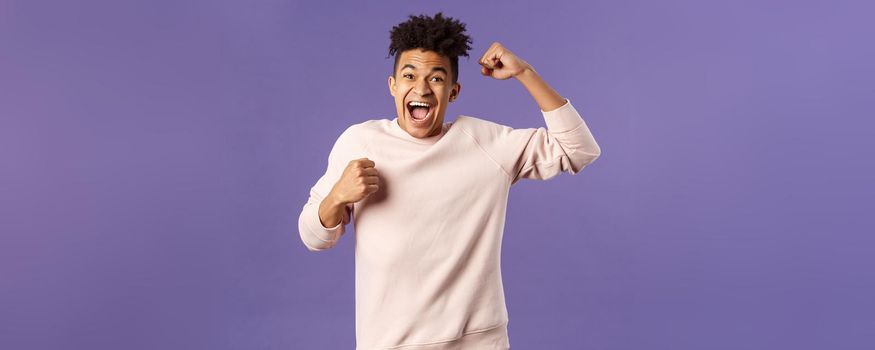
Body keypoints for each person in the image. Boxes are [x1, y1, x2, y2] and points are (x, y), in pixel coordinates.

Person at [297, 12, 601, 350]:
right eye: (409, 75)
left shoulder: (486, 143)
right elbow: (314, 237)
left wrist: (525, 74)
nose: (422, 88)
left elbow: (579, 150)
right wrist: (337, 197)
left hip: (479, 341)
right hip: (390, 343)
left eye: (437, 79)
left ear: (453, 92)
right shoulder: (360, 142)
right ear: (393, 86)